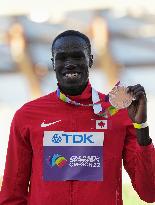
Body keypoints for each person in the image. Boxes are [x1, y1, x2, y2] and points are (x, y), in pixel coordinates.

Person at [0, 30, 155, 205]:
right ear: (53, 63)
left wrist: (141, 127)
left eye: (77, 57)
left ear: (90, 60)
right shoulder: (27, 116)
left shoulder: (118, 114)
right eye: (62, 58)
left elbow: (150, 192)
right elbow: (12, 195)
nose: (70, 64)